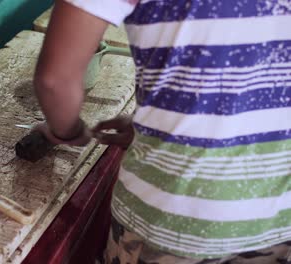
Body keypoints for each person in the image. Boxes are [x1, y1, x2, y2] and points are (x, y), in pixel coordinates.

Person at [33, 0, 291, 263]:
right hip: (279, 217)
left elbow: (55, 81)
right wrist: (154, 127)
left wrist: (68, 131)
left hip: (172, 219)